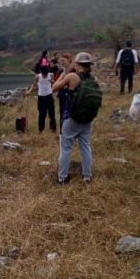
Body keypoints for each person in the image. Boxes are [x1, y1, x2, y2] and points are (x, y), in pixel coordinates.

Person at [51, 52, 97, 184]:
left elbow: (54, 88)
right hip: (88, 119)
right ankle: (87, 176)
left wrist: (63, 76)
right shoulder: (93, 79)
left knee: (66, 148)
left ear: (76, 64)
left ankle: (62, 177)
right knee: (86, 147)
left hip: (71, 118)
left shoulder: (72, 76)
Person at [24, 63, 56, 133]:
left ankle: (53, 128)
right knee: (42, 114)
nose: (45, 75)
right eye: (44, 74)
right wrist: (29, 91)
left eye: (46, 74)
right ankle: (41, 129)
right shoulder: (38, 77)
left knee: (51, 113)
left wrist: (53, 83)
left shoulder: (51, 75)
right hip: (41, 96)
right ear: (41, 72)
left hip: (49, 95)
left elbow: (54, 84)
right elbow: (34, 84)